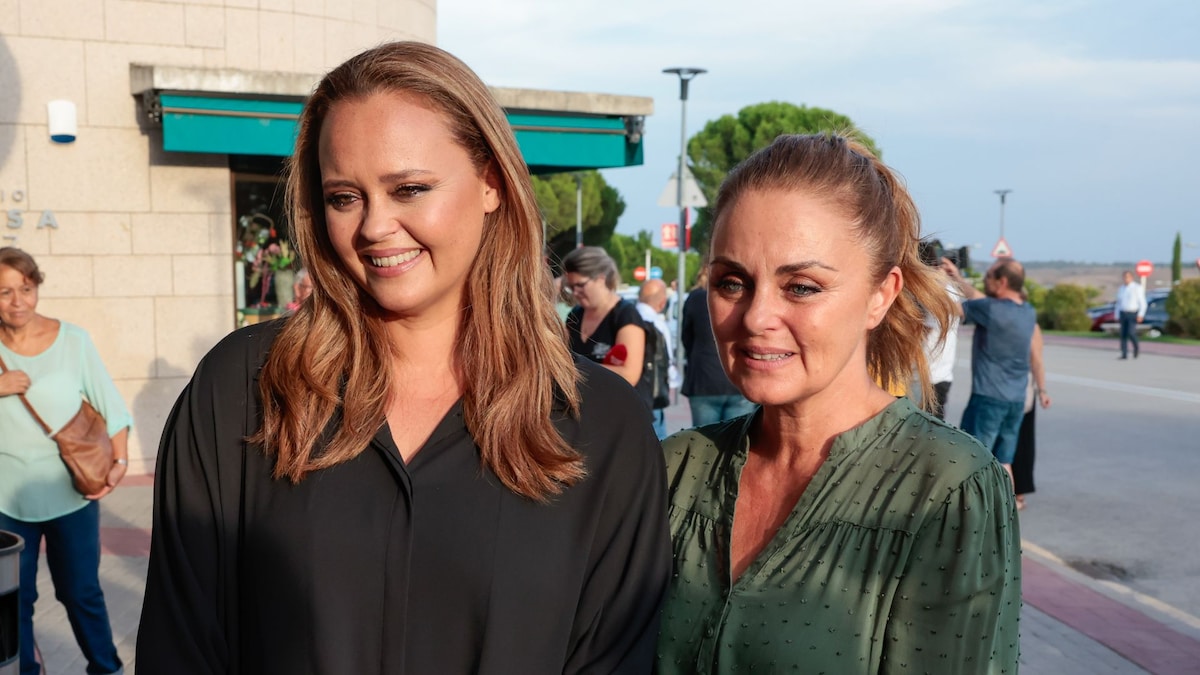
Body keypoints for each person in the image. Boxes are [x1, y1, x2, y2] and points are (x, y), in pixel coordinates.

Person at [137, 41, 669, 674]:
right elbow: (181, 648)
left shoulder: (602, 426)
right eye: (344, 197)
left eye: (410, 188)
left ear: (492, 183)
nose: (374, 227)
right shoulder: (242, 389)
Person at [656, 133, 1021, 674]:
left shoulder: (945, 489)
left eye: (801, 286)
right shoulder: (676, 469)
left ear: (881, 295)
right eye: (732, 282)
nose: (756, 318)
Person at [0, 246, 132, 675]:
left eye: (26, 288)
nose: (17, 301)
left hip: (71, 493)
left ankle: (105, 668)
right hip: (5, 500)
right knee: (12, 597)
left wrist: (120, 460)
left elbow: (111, 406)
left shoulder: (72, 340)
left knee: (80, 591)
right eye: (4, 292)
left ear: (37, 287)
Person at [942, 256, 1038, 485]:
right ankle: (1007, 512)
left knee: (971, 458)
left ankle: (972, 514)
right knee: (1004, 460)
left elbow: (950, 307)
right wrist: (957, 278)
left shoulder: (990, 309)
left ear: (1002, 282)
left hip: (988, 399)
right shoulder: (1027, 312)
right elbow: (979, 298)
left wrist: (931, 279)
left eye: (988, 277)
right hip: (1015, 401)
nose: (984, 281)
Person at [562, 246, 650, 408]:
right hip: (587, 409)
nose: (575, 292)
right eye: (571, 287)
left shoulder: (625, 315)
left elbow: (629, 374)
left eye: (580, 285)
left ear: (601, 278)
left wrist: (573, 369)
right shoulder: (575, 315)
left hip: (622, 411)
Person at [679, 265, 755, 426]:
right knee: (737, 442)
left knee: (703, 444)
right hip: (738, 379)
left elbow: (686, 338)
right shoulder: (744, 295)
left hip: (703, 381)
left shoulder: (695, 298)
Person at [1013, 324, 1052, 510]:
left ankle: (1018, 493)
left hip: (1021, 390)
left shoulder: (1027, 324)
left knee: (1020, 441)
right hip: (1020, 389)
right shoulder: (1025, 320)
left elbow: (1036, 359)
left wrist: (1042, 390)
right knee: (1020, 441)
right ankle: (1017, 493)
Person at [635, 278, 679, 438]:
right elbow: (667, 361)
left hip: (626, 393)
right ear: (662, 303)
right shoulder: (658, 325)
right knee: (658, 445)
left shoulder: (625, 320)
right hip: (652, 396)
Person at [1115, 270, 1147, 359]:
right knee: (1123, 334)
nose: (1126, 279)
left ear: (1131, 278)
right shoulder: (1121, 288)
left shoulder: (1137, 288)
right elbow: (1119, 303)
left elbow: (1142, 303)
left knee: (1131, 333)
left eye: (1127, 277)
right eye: (1124, 277)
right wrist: (1117, 314)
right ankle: (1124, 353)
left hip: (1132, 313)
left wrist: (1141, 314)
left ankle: (1136, 348)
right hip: (1123, 312)